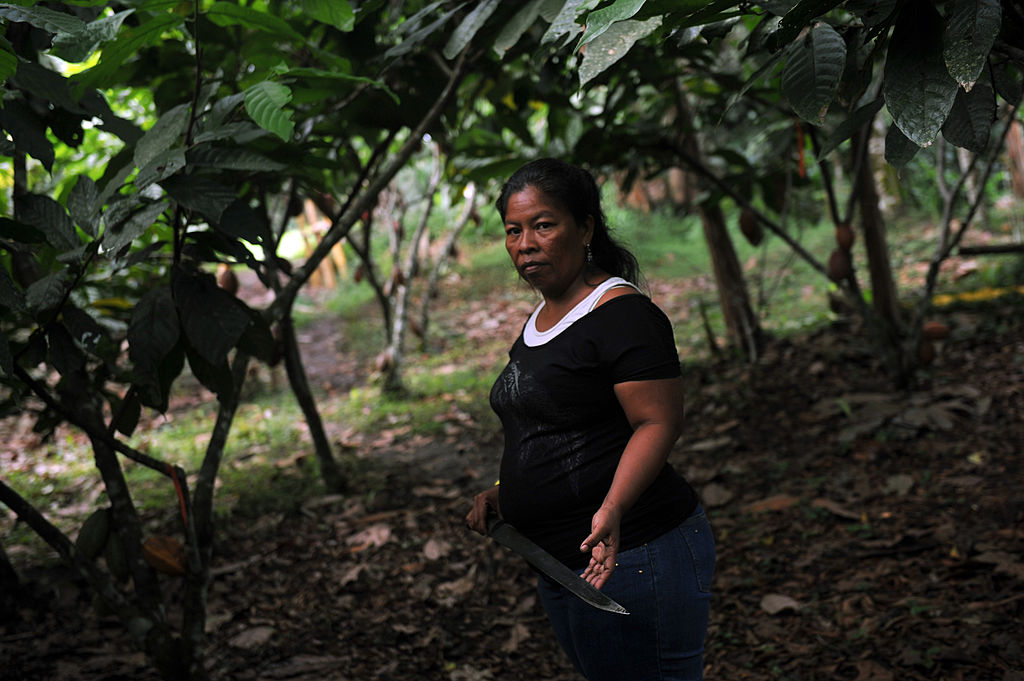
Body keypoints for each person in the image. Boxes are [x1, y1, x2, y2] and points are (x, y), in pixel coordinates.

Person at [465, 158, 715, 681]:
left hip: (635, 553)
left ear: (585, 228)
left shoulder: (623, 314)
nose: (525, 243)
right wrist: (503, 490)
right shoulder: (541, 318)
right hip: (559, 562)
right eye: (513, 231)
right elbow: (546, 424)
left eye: (543, 224)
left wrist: (614, 507)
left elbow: (657, 423)